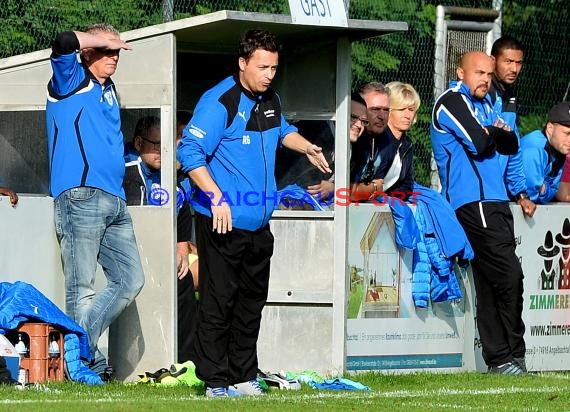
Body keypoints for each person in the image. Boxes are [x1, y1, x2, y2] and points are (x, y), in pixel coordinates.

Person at [177, 28, 330, 397]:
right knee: (219, 301)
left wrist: (306, 146)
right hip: (223, 220)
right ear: (243, 63)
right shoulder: (219, 102)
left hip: (259, 223)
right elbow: (188, 154)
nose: (268, 74)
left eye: (274, 68)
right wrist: (216, 196)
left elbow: (281, 130)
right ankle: (214, 381)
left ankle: (243, 376)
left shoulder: (270, 98)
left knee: (251, 303)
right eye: (262, 67)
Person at [45, 24, 145, 380]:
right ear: (87, 52)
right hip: (80, 195)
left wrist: (107, 43)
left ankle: (82, 350)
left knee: (131, 279)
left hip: (115, 199)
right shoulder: (70, 78)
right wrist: (100, 40)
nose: (114, 57)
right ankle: (84, 364)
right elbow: (62, 42)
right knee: (81, 288)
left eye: (117, 51)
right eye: (107, 50)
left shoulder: (109, 88)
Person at [430, 51, 526, 375]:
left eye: (488, 73)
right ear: (460, 73)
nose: (485, 79)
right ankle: (514, 354)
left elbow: (511, 144)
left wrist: (491, 134)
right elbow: (480, 143)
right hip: (474, 204)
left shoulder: (487, 104)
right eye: (478, 73)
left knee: (489, 282)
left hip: (496, 202)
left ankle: (500, 360)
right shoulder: (451, 101)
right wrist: (490, 134)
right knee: (511, 275)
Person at [123, 115, 198, 362]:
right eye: (155, 145)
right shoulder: (128, 173)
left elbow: (182, 214)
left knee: (185, 278)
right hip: (132, 255)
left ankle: (187, 360)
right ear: (138, 143)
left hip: (162, 258)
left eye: (165, 145)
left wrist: (181, 252)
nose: (160, 151)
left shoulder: (170, 179)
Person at [489, 35, 536, 216]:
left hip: (497, 196)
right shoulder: (479, 95)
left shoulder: (510, 97)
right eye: (508, 61)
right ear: (493, 61)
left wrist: (520, 194)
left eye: (518, 63)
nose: (514, 69)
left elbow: (513, 149)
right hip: (473, 196)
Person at [521, 102, 570, 203]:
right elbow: (529, 198)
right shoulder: (536, 148)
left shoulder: (560, 150)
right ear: (550, 128)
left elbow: (552, 191)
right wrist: (543, 189)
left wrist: (543, 189)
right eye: (567, 133)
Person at [349, 82, 391, 200]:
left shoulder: (386, 141)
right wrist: (374, 187)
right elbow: (348, 192)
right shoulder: (350, 138)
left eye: (386, 110)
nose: (381, 116)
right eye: (375, 109)